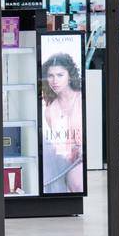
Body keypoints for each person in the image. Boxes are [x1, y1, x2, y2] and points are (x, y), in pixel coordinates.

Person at [40, 51, 84, 194]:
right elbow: (59, 143)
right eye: (50, 76)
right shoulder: (50, 110)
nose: (55, 81)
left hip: (82, 159)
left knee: (77, 182)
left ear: (69, 76)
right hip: (64, 161)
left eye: (60, 75)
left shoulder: (81, 99)